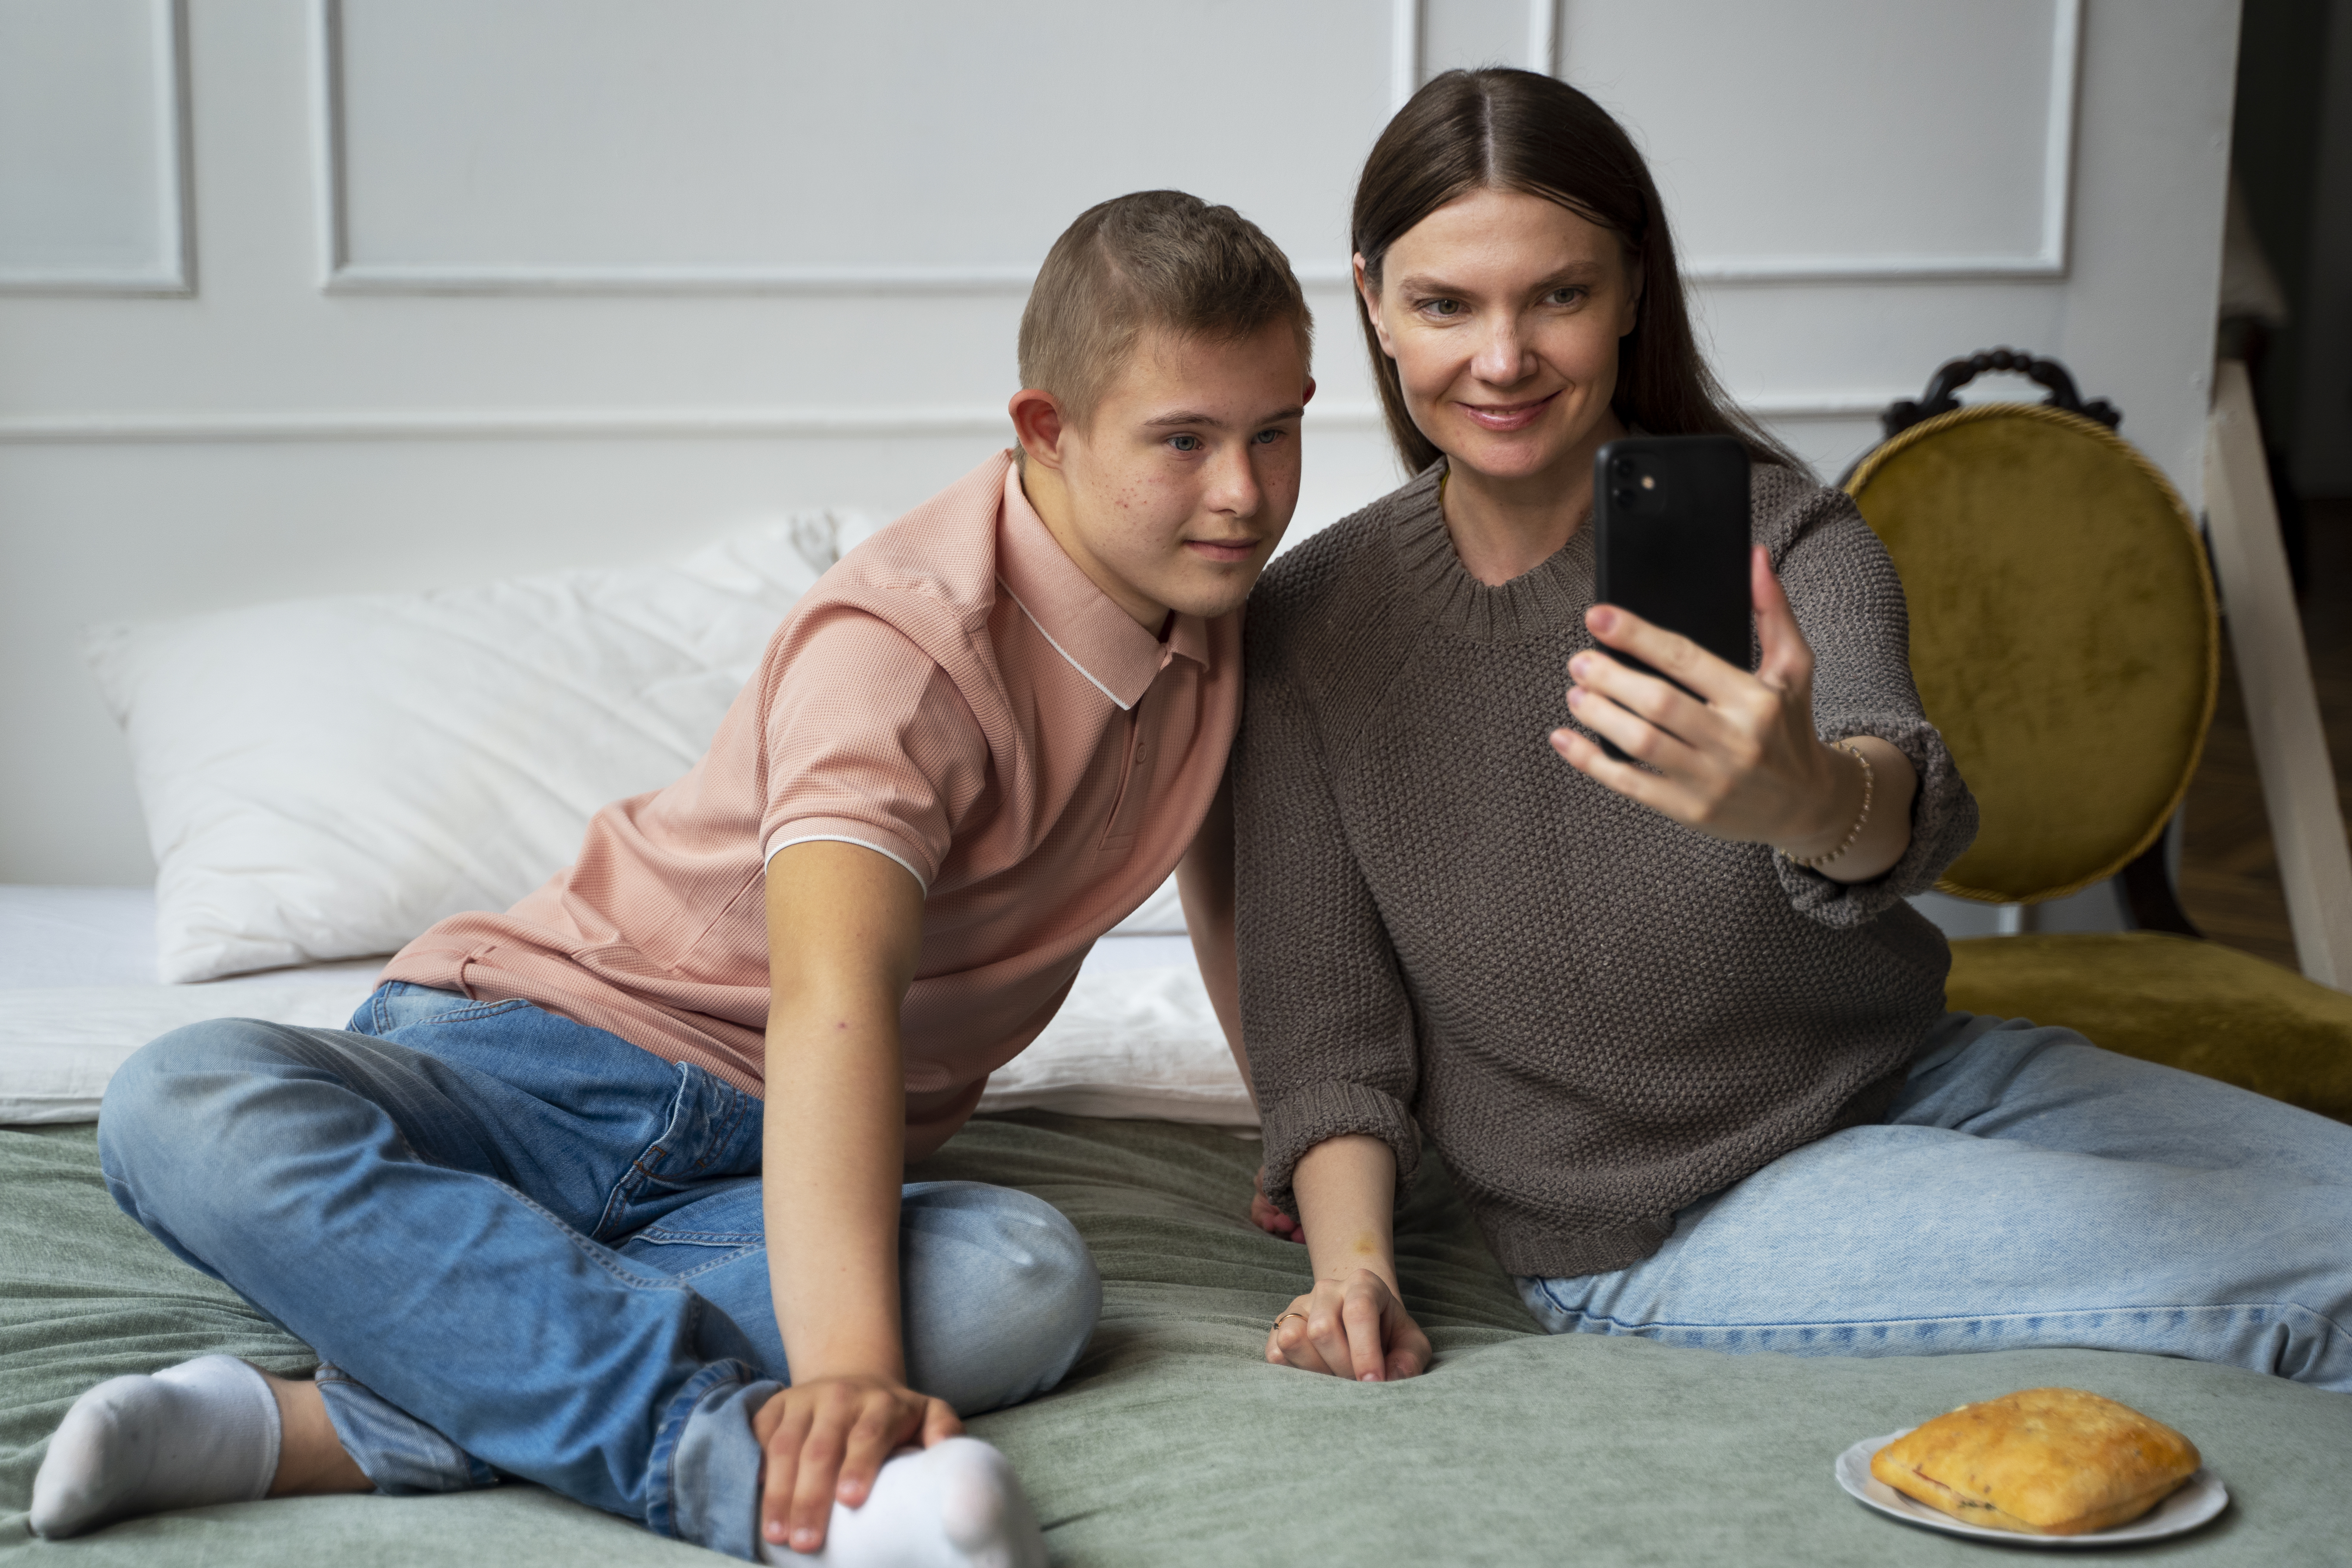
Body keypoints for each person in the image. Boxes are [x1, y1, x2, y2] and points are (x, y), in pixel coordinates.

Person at [32, 189, 1317, 1563]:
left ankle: (319, 1425)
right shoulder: (904, 648)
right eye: (1182, 441)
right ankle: (739, 1483)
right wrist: (843, 1380)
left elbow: (1229, 893)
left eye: (1277, 431)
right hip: (536, 1065)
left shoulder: (1220, 617)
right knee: (184, 1098)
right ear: (1045, 431)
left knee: (1023, 1281)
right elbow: (835, 1004)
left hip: (767, 1175)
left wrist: (1298, 1128)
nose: (1242, 493)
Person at [1221, 68, 2352, 1393]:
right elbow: (1329, 1044)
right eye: (1444, 304)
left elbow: (1902, 795)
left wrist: (1807, 799)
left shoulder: (1786, 535)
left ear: (1634, 290)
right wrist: (1352, 1269)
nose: (1503, 356)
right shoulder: (1307, 627)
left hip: (1921, 1074)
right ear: (1372, 304)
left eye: (1561, 294)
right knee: (2313, 1277)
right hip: (1653, 1220)